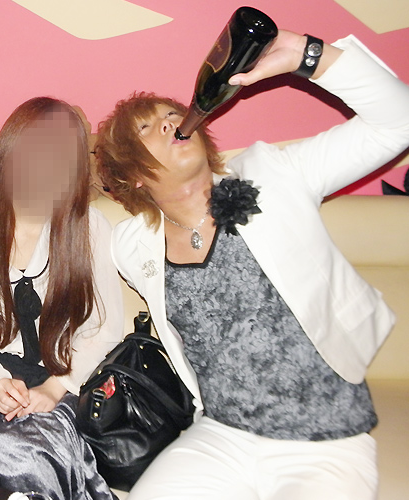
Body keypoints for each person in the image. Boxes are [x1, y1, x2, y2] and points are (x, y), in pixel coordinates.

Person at [94, 30, 409, 500]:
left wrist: (305, 55)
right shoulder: (131, 243)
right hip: (220, 437)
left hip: (327, 440)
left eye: (171, 114)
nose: (170, 121)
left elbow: (398, 121)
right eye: (146, 127)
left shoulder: (276, 175)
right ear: (135, 175)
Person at [0, 97, 124, 499]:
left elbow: (106, 330)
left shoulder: (90, 229)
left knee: (36, 458)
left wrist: (55, 387)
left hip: (64, 380)